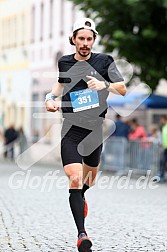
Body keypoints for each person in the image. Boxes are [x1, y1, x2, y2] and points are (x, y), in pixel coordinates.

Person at [45, 17, 126, 252]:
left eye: (89, 39)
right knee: (75, 178)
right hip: (71, 129)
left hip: (94, 131)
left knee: (89, 180)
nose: (85, 43)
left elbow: (122, 89)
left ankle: (81, 198)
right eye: (81, 39)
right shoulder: (65, 62)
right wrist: (50, 99)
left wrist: (104, 85)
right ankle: (82, 235)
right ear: (73, 40)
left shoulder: (105, 61)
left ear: (93, 41)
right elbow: (59, 86)